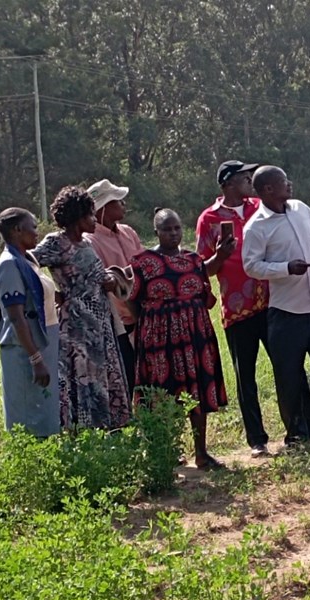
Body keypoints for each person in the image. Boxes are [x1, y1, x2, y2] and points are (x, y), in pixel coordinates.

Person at [242, 166, 310, 444]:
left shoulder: (299, 208)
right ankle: (297, 433)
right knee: (289, 377)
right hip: (287, 313)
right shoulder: (256, 227)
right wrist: (286, 268)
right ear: (267, 190)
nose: (290, 185)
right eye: (283, 181)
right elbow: (251, 266)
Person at [128, 208, 228, 470]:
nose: (173, 233)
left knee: (197, 391)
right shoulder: (142, 263)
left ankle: (201, 453)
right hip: (158, 339)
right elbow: (133, 302)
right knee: (162, 392)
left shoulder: (194, 260)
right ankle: (165, 452)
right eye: (166, 229)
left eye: (176, 228)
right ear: (156, 232)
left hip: (195, 335)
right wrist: (149, 325)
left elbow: (206, 291)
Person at [31, 185, 131, 429]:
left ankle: (109, 431)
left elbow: (93, 275)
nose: (94, 220)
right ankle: (86, 435)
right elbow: (27, 264)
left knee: (105, 378)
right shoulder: (57, 243)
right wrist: (52, 292)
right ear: (76, 217)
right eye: (89, 215)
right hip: (77, 327)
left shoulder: (86, 243)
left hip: (101, 323)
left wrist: (109, 279)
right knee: (83, 379)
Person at [196, 160, 273, 457]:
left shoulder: (260, 206)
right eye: (244, 177)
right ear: (228, 183)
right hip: (237, 307)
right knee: (246, 375)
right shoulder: (209, 219)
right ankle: (257, 439)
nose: (250, 181)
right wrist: (220, 255)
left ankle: (298, 429)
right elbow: (203, 268)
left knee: (285, 365)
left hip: (272, 299)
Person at [0, 207, 60, 437]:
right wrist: (35, 358)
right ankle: (28, 466)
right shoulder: (9, 264)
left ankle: (46, 461)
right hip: (25, 349)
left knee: (43, 407)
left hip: (41, 341)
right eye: (33, 226)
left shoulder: (26, 259)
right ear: (18, 230)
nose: (37, 232)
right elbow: (16, 317)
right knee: (27, 412)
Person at [84, 178, 142, 397]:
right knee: (124, 377)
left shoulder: (129, 232)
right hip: (118, 320)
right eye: (118, 201)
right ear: (104, 208)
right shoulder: (90, 241)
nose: (123, 204)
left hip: (141, 315)